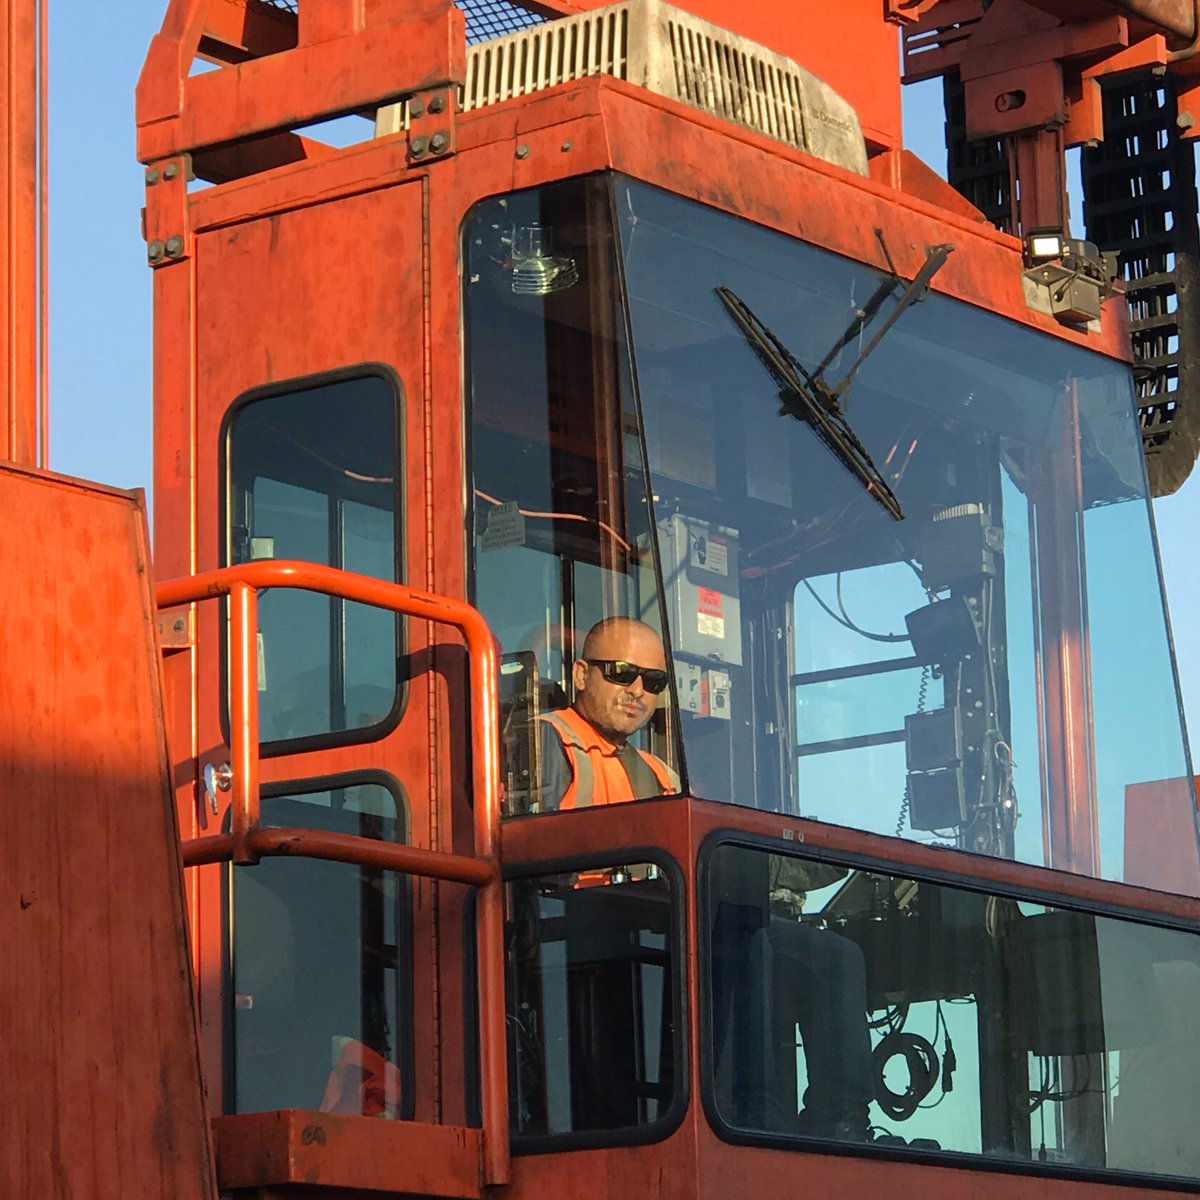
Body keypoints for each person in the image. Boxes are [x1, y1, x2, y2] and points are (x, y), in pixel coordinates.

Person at [535, 616, 679, 810]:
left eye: (654, 681)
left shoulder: (661, 774)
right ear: (581, 675)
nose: (637, 691)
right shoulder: (543, 741)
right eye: (622, 673)